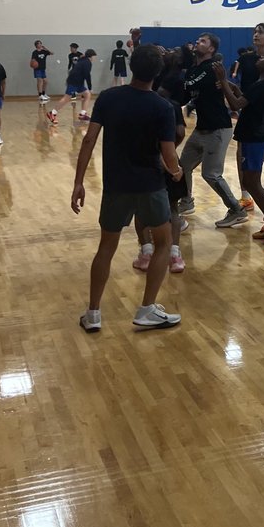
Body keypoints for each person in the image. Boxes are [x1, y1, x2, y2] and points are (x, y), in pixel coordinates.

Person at [72, 43, 182, 333]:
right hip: (151, 186)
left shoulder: (108, 98)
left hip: (116, 186)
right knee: (163, 242)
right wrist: (177, 171)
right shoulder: (162, 107)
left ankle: (93, 313)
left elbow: (88, 141)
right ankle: (147, 310)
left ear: (131, 66)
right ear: (158, 73)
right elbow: (169, 154)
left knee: (106, 247)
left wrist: (79, 182)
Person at [179, 32, 246, 227]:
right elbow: (186, 93)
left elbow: (189, 85)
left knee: (210, 174)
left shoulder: (212, 68)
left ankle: (237, 209)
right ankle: (186, 201)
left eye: (203, 41)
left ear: (211, 49)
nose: (198, 42)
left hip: (218, 128)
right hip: (202, 129)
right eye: (198, 39)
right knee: (183, 168)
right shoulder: (193, 70)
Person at [133, 48, 189, 275]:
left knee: (141, 209)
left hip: (143, 163)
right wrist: (170, 154)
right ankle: (174, 255)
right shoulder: (172, 106)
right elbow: (180, 133)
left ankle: (146, 252)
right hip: (168, 161)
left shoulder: (135, 102)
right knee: (173, 209)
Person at [215, 55, 264, 240]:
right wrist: (233, 87)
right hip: (252, 136)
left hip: (253, 137)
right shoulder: (262, 84)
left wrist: (223, 80)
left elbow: (236, 105)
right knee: (252, 184)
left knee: (253, 184)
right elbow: (245, 100)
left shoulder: (262, 84)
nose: (260, 57)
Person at [49, 49, 97, 123]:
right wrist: (90, 87)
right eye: (94, 56)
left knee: (87, 94)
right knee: (66, 98)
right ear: (91, 56)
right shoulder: (87, 63)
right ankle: (52, 113)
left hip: (78, 82)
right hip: (74, 81)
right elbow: (87, 75)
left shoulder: (83, 60)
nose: (95, 58)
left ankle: (83, 114)